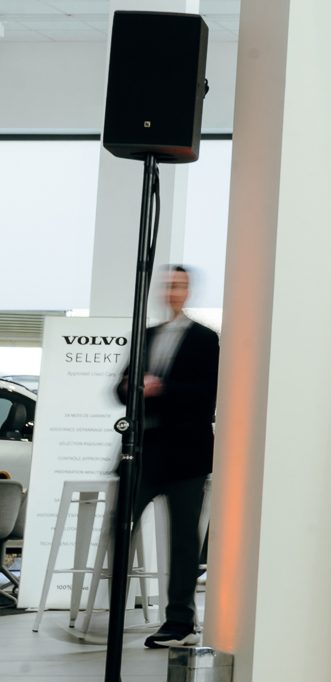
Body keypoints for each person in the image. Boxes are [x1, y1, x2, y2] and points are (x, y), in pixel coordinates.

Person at [124, 264, 218, 649]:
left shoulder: (205, 339)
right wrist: (130, 387)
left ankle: (180, 623)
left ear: (188, 291)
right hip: (144, 451)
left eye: (179, 285)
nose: (172, 291)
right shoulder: (146, 336)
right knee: (120, 525)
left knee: (183, 540)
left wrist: (161, 389)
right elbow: (120, 388)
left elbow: (208, 393)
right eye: (167, 285)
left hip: (186, 455)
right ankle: (114, 614)